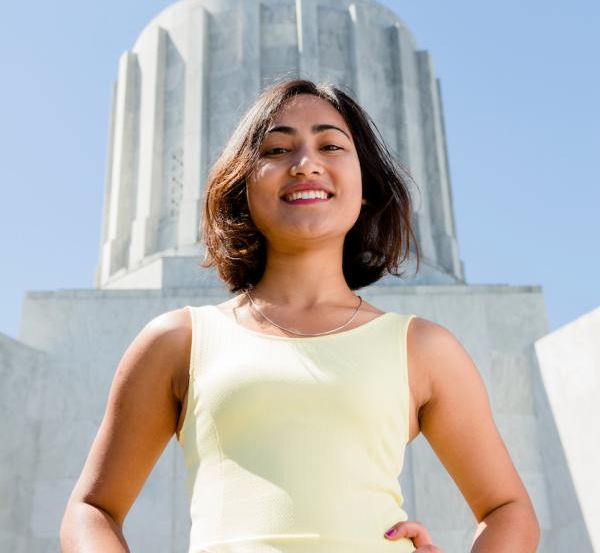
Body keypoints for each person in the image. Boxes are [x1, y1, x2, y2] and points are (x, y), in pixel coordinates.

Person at [60, 79, 540, 552]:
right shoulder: (178, 339)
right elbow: (92, 509)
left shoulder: (423, 347)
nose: (306, 164)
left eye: (331, 145)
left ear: (366, 186)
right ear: (242, 185)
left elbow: (506, 509)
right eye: (275, 150)